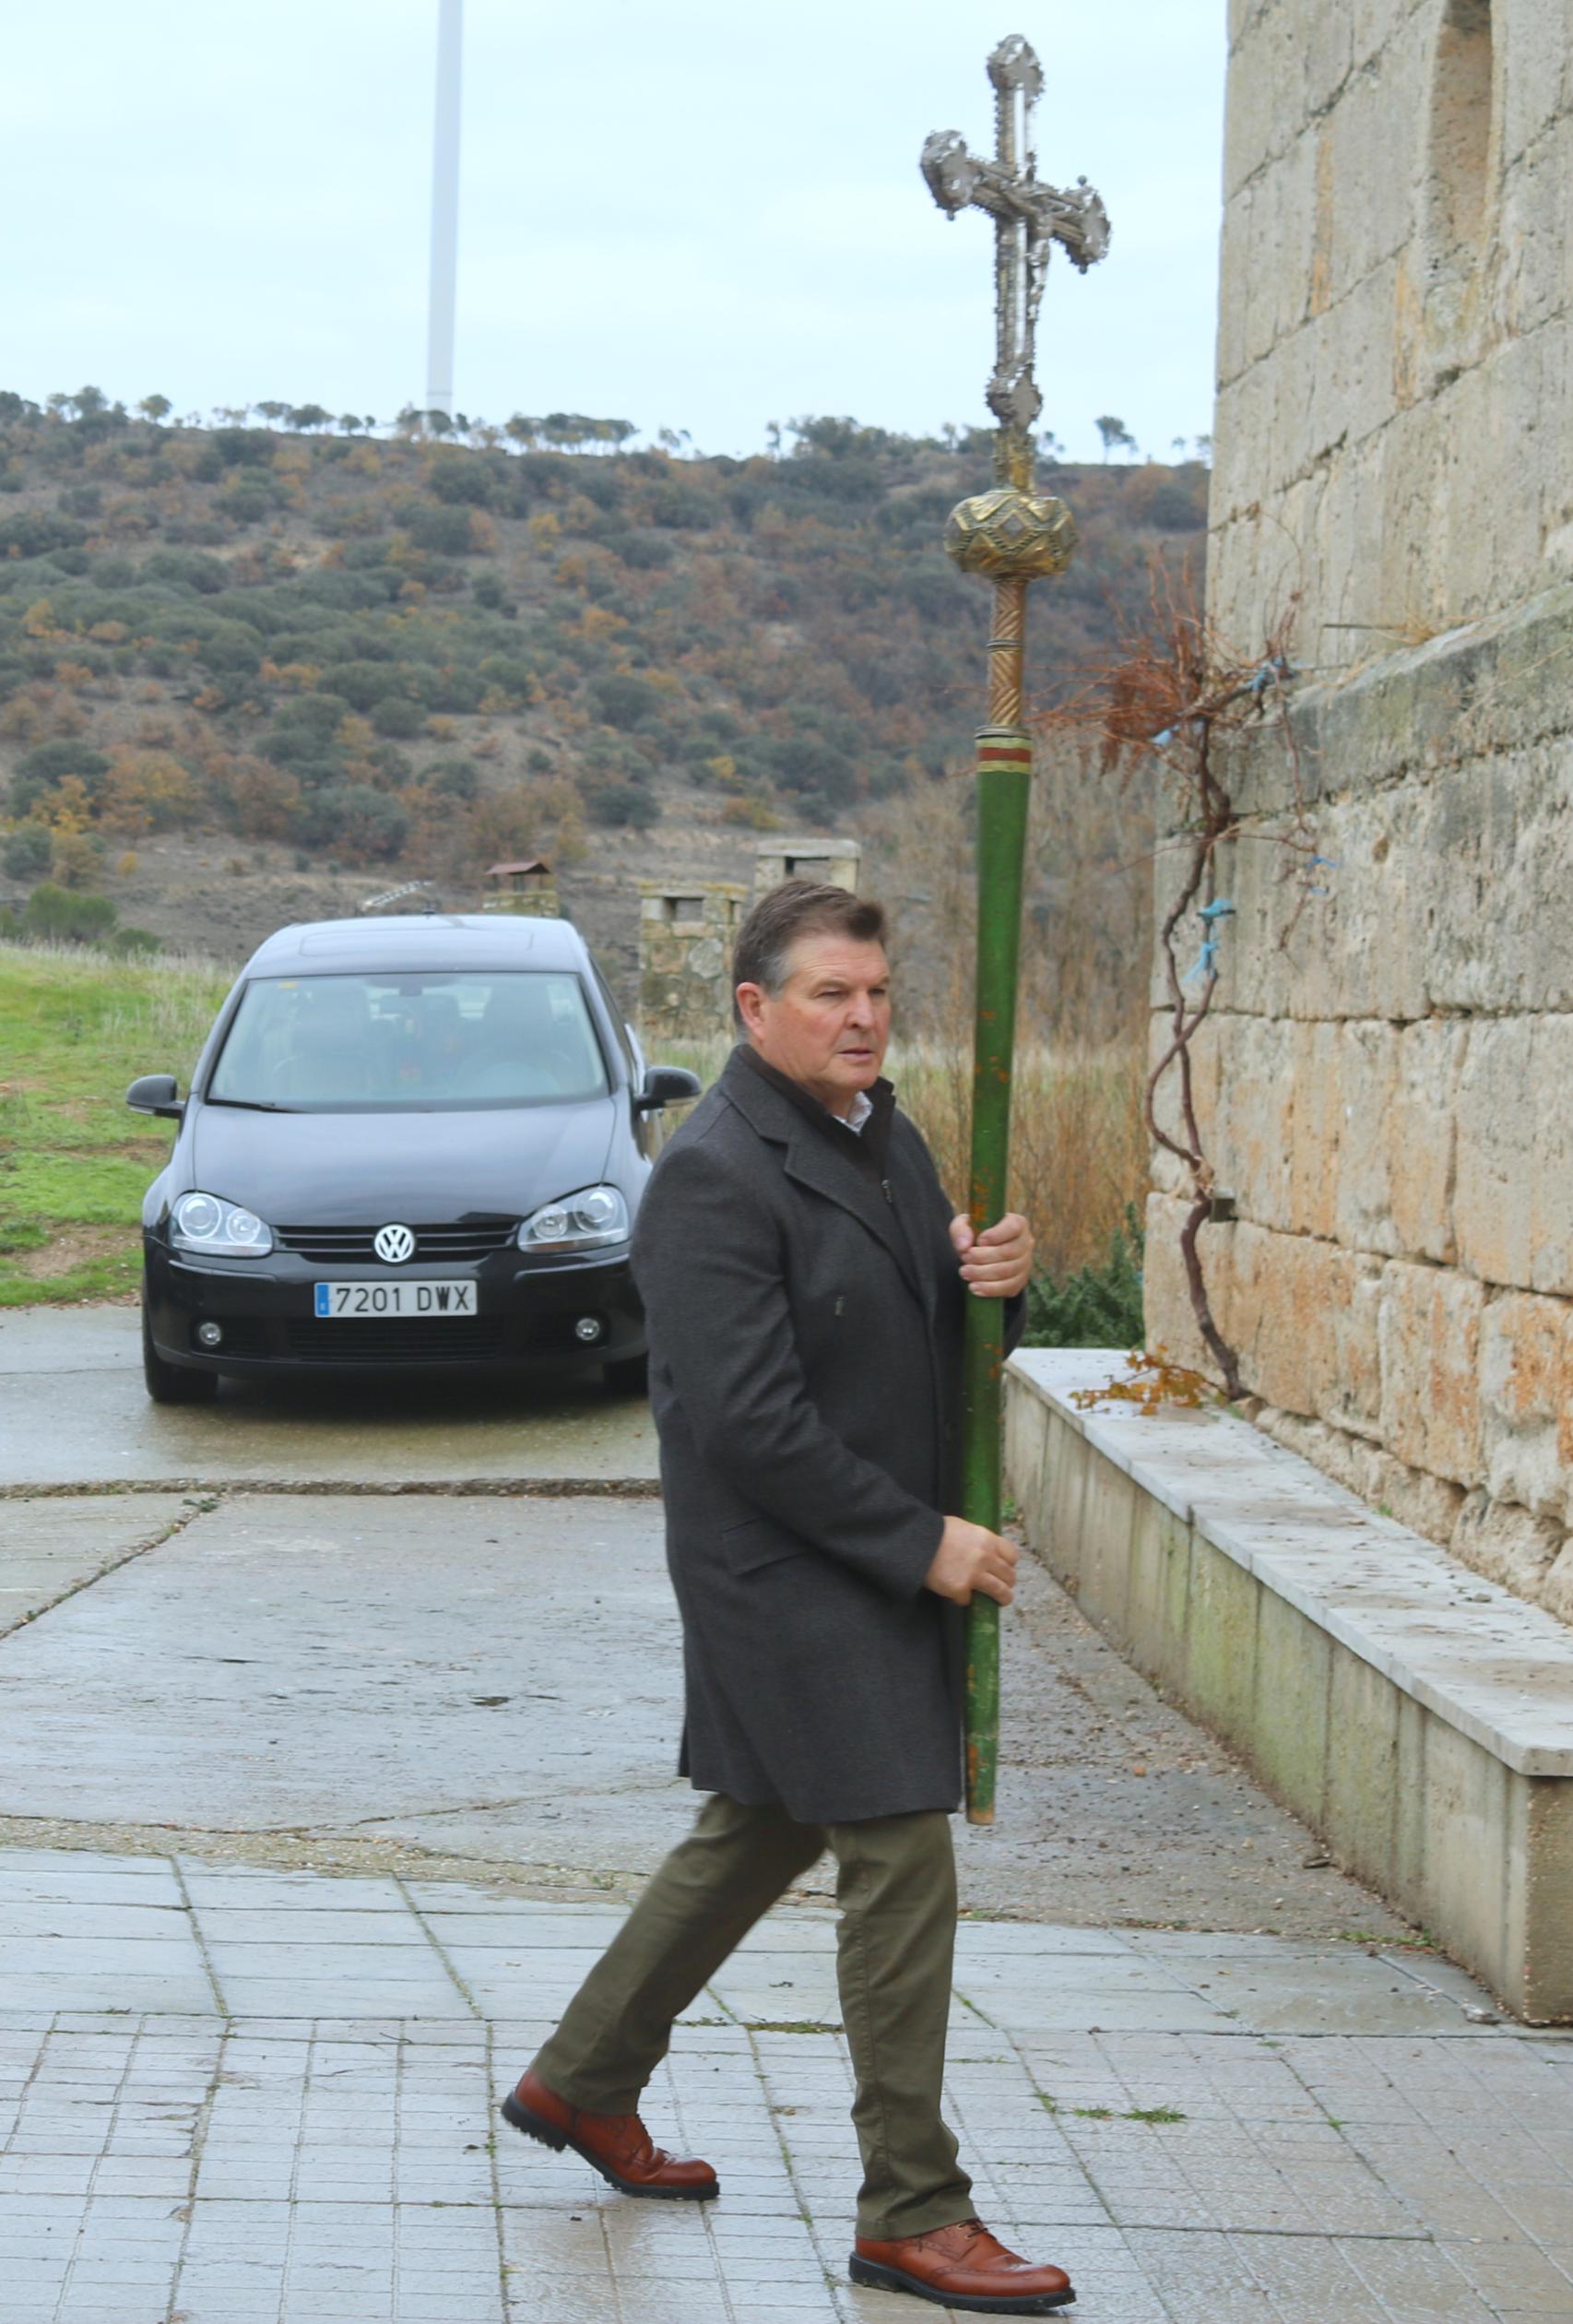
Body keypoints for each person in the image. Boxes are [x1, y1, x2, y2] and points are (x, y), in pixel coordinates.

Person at [499, 882, 1071, 2316]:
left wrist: (989, 1281)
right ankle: (911, 2210)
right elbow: (747, 1422)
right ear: (753, 1010)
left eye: (874, 991)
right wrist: (920, 1542)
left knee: (757, 1826)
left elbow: (919, 1334)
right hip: (778, 1565)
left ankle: (579, 2080)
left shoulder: (886, 1136)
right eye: (829, 993)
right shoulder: (711, 1172)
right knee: (894, 1845)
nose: (862, 1016)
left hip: (862, 1546)